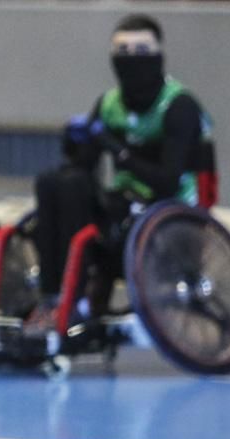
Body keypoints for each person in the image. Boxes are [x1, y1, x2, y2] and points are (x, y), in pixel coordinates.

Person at [29, 13, 215, 324]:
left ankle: (75, 297)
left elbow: (168, 181)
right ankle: (53, 294)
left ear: (159, 54)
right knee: (53, 182)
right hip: (124, 204)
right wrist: (75, 144)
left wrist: (118, 150)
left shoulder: (179, 107)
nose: (131, 60)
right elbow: (82, 167)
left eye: (141, 51)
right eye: (123, 52)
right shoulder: (109, 103)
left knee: (78, 194)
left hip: (169, 212)